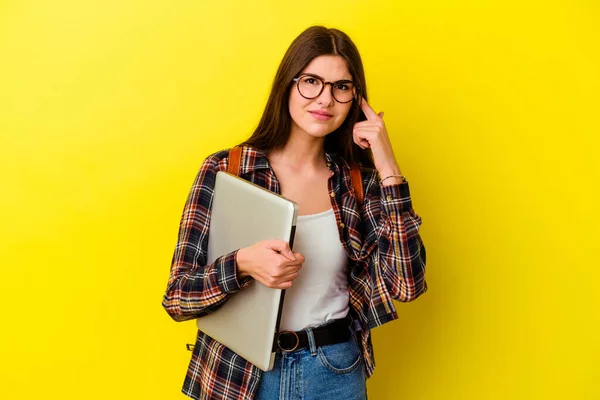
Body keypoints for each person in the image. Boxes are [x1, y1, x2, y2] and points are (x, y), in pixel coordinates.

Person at [162, 25, 427, 400]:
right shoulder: (228, 171)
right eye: (311, 81)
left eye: (341, 87)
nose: (325, 99)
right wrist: (240, 264)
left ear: (356, 99)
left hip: (335, 371)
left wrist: (387, 167)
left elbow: (406, 285)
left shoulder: (358, 184)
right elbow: (177, 297)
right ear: (288, 85)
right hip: (240, 374)